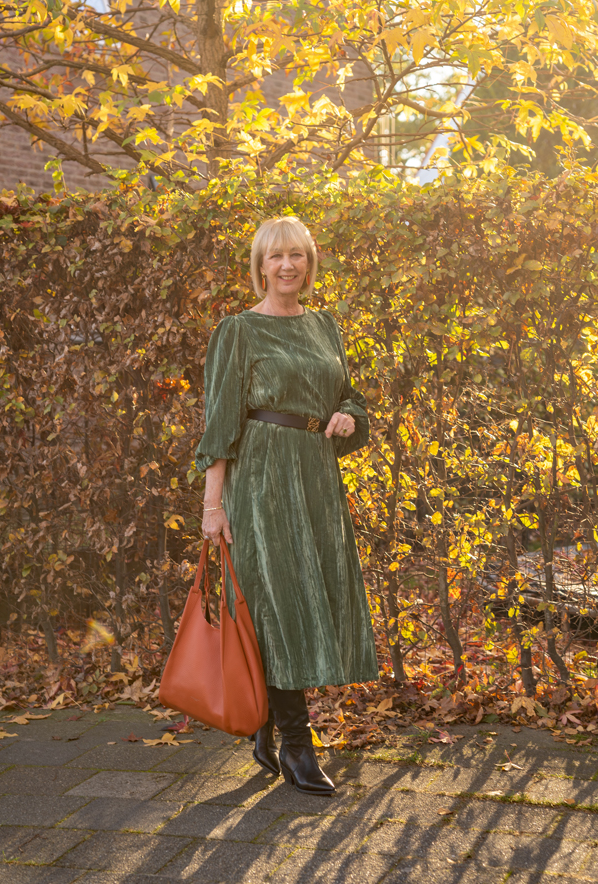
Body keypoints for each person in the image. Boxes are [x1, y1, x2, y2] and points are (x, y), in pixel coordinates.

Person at [195, 216, 378, 796]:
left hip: (316, 480)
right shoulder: (238, 331)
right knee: (276, 602)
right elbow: (220, 422)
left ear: (310, 262)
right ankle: (298, 744)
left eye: (297, 255)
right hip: (262, 481)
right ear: (260, 266)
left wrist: (349, 415)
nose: (287, 266)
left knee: (307, 596)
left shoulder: (325, 326)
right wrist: (213, 506)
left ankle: (266, 727)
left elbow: (347, 394)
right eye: (276, 257)